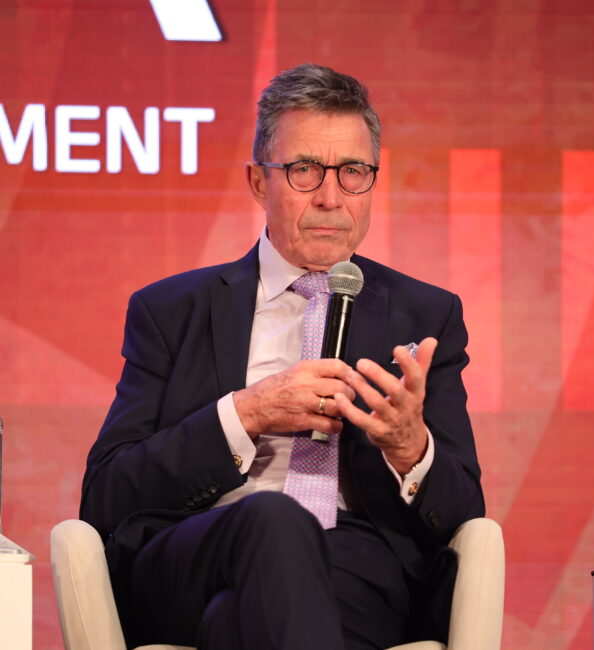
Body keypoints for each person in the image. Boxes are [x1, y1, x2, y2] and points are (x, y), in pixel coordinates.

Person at [80, 63, 485, 650]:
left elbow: (465, 509)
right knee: (272, 519)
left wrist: (409, 450)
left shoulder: (427, 315)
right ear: (257, 181)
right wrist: (245, 414)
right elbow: (106, 495)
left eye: (353, 172)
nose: (330, 198)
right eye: (304, 170)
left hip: (352, 567)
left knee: (236, 621)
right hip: (198, 550)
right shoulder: (170, 309)